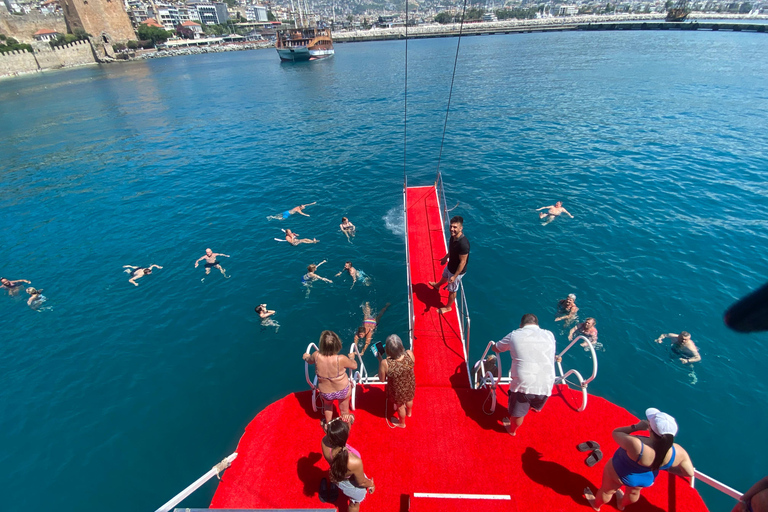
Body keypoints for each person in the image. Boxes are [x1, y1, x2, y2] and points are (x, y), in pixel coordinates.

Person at [584, 408, 695, 511]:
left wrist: (636, 427)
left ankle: (596, 505)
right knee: (633, 493)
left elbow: (616, 433)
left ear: (650, 429)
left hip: (619, 473)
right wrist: (665, 468)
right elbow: (689, 473)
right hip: (644, 480)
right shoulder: (679, 452)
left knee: (607, 491)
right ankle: (621, 505)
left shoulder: (637, 444)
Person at [491, 314, 561, 436]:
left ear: (521, 325)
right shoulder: (550, 334)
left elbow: (497, 348)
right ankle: (534, 406)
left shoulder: (514, 335)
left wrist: (493, 346)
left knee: (517, 413)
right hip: (547, 383)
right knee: (535, 400)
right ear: (537, 324)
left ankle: (512, 430)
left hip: (524, 385)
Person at [303, 330, 358, 426]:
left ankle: (328, 425)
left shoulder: (316, 355)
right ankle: (346, 427)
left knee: (328, 406)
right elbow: (354, 366)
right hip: (342, 391)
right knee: (344, 410)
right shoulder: (341, 358)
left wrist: (306, 357)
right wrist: (352, 357)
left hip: (326, 393)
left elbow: (309, 361)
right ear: (337, 344)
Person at [321, 417, 375, 512]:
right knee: (354, 504)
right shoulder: (354, 462)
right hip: (352, 484)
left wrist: (346, 424)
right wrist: (371, 484)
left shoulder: (325, 442)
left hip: (339, 478)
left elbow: (339, 437)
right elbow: (361, 482)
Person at [429, 215, 469, 314]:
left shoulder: (463, 244)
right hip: (451, 265)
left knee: (452, 290)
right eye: (451, 226)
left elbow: (463, 262)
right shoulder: (453, 237)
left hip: (457, 271)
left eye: (455, 227)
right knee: (445, 275)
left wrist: (455, 276)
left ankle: (448, 307)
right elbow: (452, 250)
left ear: (461, 228)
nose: (452, 229)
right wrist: (445, 257)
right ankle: (438, 285)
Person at [378, 334, 415, 428]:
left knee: (400, 406)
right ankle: (409, 413)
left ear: (388, 350)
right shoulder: (409, 353)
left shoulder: (385, 363)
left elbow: (382, 380)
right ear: (401, 346)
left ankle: (402, 423)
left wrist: (380, 360)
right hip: (410, 383)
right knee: (409, 399)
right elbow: (412, 364)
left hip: (397, 390)